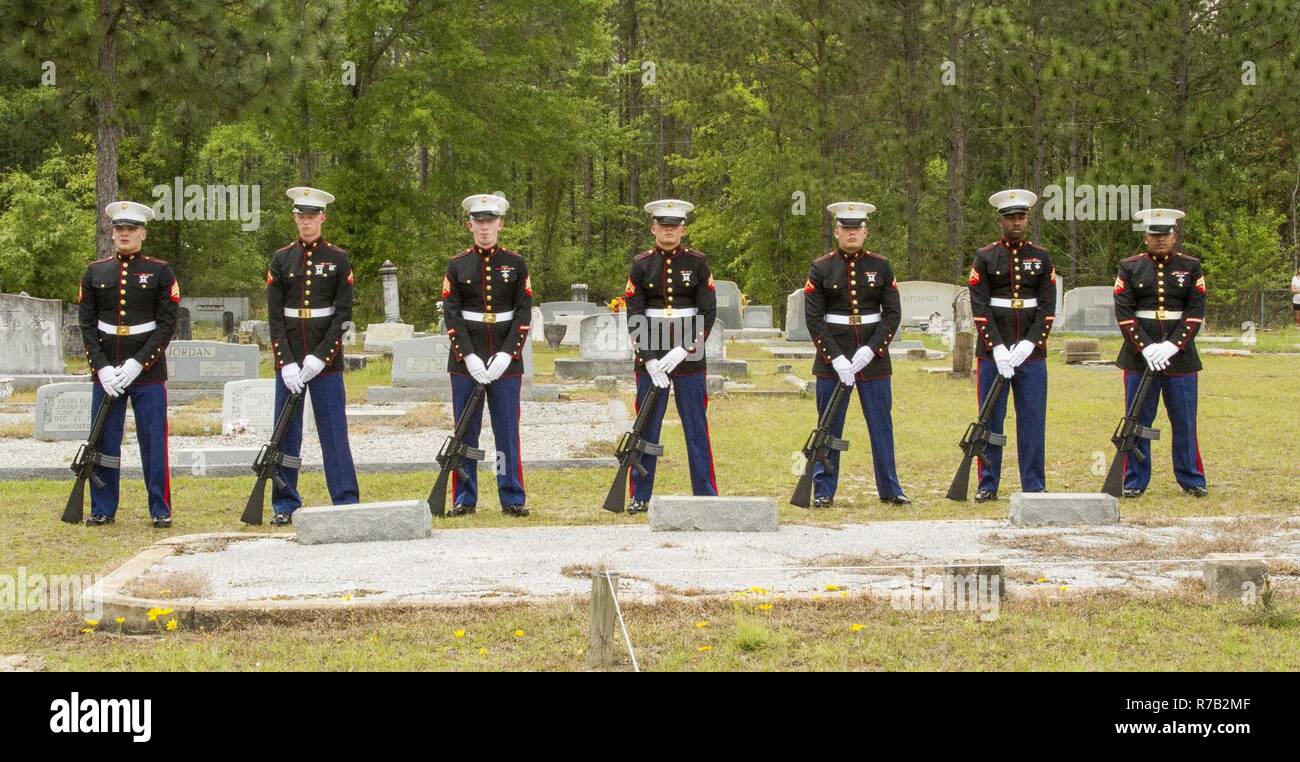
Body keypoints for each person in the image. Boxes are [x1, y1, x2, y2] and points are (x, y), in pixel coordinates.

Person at [77, 201, 180, 528]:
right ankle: (103, 507)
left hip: (147, 371)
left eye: (131, 229)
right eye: (120, 229)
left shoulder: (161, 271)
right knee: (104, 442)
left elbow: (166, 325)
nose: (125, 234)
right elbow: (88, 326)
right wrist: (101, 368)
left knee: (153, 442)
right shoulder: (95, 271)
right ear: (113, 233)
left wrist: (138, 364)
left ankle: (160, 508)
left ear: (142, 233)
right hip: (107, 370)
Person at [802, 201, 909, 507]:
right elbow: (814, 318)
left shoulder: (881, 266)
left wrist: (871, 350)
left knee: (881, 426)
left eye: (857, 229)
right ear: (837, 232)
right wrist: (834, 357)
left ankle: (890, 488)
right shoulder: (821, 267)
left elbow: (891, 314)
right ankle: (823, 489)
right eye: (846, 229)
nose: (852, 234)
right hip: (831, 359)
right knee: (829, 425)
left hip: (872, 360)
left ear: (866, 232)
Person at [264, 186, 359, 525]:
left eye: (311, 216)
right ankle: (285, 502)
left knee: (334, 430)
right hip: (290, 357)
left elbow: (343, 314)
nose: (305, 222)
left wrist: (322, 356)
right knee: (286, 432)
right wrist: (286, 361)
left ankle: (345, 500)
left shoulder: (337, 259)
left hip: (325, 359)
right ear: (295, 218)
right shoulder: (281, 258)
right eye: (300, 216)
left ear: (322, 218)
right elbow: (275, 317)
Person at [621, 199, 718, 513]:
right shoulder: (641, 264)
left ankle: (705, 493)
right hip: (652, 347)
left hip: (688, 349)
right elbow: (634, 312)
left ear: (683, 230)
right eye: (663, 226)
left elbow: (707, 311)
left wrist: (684, 349)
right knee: (647, 424)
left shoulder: (698, 263)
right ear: (653, 228)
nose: (668, 231)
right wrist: (649, 357)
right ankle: (640, 496)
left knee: (695, 425)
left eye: (674, 226)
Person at [440, 193, 532, 517]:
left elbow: (523, 313)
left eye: (490, 221)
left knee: (507, 431)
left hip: (506, 361)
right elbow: (452, 314)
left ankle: (512, 496)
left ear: (500, 224)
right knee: (466, 431)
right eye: (478, 222)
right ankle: (464, 497)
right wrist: (469, 357)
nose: (484, 228)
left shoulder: (516, 264)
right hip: (467, 361)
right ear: (470, 225)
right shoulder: (456, 264)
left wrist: (508, 354)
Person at [967, 189, 1057, 502]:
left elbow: (1047, 306)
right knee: (990, 419)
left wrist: (1030, 343)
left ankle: (1033, 483)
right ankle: (987, 483)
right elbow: (980, 306)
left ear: (1027, 219)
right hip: (994, 354)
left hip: (1031, 356)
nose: (1016, 222)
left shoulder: (1041, 257)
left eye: (1021, 217)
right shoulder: (986, 256)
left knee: (1032, 419)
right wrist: (997, 347)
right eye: (1010, 217)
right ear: (1001, 220)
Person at [1113, 207, 1208, 498]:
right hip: (1139, 358)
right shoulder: (1129, 267)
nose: (1161, 240)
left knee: (1184, 421)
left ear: (1174, 235)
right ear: (1146, 238)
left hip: (1181, 359)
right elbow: (1125, 313)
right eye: (1155, 235)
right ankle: (1134, 480)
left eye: (1165, 234)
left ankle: (1191, 479)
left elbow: (1194, 312)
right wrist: (1147, 347)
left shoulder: (1191, 267)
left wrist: (1171, 345)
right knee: (1138, 421)